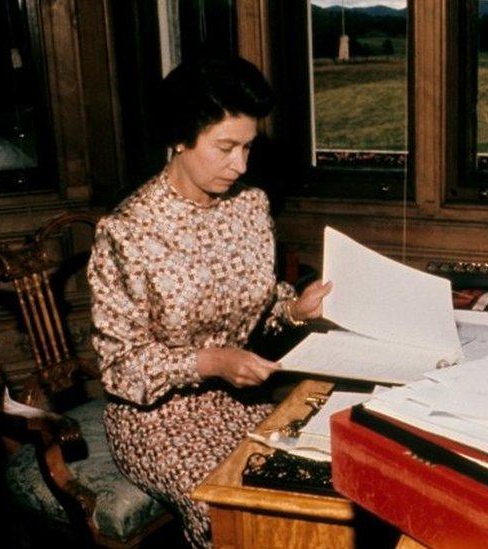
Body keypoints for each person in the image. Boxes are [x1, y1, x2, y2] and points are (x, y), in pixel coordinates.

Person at [87, 56, 331, 548]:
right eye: (225, 147)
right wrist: (210, 362)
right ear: (179, 137)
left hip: (239, 399)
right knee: (231, 510)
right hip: (157, 420)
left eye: (248, 148)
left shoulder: (250, 206)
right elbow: (121, 368)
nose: (240, 165)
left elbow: (257, 303)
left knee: (314, 486)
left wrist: (292, 310)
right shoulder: (128, 232)